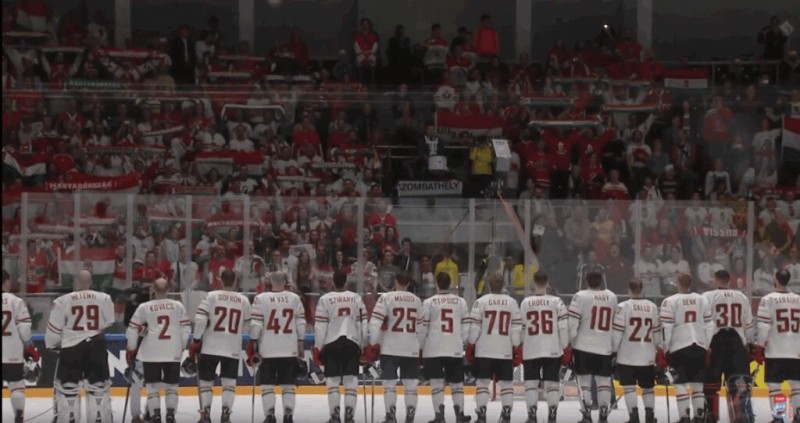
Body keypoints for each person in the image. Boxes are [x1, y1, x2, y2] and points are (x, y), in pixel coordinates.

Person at [45, 269, 115, 423]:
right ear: (90, 282)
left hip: (71, 348)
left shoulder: (62, 301)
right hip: (97, 347)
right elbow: (109, 321)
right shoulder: (104, 298)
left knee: (68, 388)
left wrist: (53, 345)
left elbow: (53, 330)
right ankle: (99, 417)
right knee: (98, 388)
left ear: (76, 282)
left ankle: (69, 417)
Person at [125, 277, 191, 423]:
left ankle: (155, 414)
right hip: (172, 351)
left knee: (152, 386)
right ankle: (171, 414)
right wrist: (182, 346)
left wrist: (131, 348)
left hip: (151, 352)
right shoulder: (178, 305)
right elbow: (186, 330)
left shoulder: (145, 307)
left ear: (153, 290)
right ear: (169, 290)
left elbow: (132, 329)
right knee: (172, 386)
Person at [190, 269, 252, 423]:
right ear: (235, 281)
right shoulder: (243, 300)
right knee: (229, 383)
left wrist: (197, 339)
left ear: (220, 280)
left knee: (206, 381)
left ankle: (206, 411)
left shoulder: (211, 296)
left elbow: (200, 319)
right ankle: (226, 412)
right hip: (232, 346)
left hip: (210, 345)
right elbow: (249, 324)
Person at [249, 271, 307, 423]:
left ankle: (269, 414)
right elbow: (301, 323)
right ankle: (288, 413)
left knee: (267, 385)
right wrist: (300, 342)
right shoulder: (294, 298)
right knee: (288, 385)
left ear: (270, 282)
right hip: (289, 348)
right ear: (286, 282)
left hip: (267, 349)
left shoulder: (260, 298)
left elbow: (256, 325)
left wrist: (253, 342)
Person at [364, 272, 422, 423]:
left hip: (389, 347)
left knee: (389, 384)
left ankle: (391, 416)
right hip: (411, 347)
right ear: (409, 283)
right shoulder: (417, 301)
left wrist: (374, 343)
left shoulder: (386, 298)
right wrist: (420, 346)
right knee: (411, 385)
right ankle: (410, 415)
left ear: (396, 282)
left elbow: (375, 322)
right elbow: (422, 327)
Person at [314, 270, 369, 423]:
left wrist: (318, 347)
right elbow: (363, 323)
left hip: (332, 342)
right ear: (346, 282)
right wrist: (364, 345)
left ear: (333, 281)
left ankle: (335, 415)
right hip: (352, 342)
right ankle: (350, 415)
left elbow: (320, 326)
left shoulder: (325, 299)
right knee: (350, 380)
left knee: (332, 381)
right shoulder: (356, 298)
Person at [466, 272, 522, 423]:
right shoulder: (512, 302)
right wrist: (516, 346)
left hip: (484, 349)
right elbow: (516, 328)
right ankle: (506, 414)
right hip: (504, 349)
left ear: (488, 285)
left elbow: (474, 327)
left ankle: (482, 414)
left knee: (483, 383)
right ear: (503, 285)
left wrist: (471, 343)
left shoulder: (481, 301)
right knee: (507, 384)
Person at [660, 273, 714, 423]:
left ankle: (684, 416)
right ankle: (698, 416)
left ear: (678, 283)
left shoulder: (670, 301)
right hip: (699, 346)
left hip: (679, 346)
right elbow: (710, 326)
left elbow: (667, 327)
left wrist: (664, 348)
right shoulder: (702, 299)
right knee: (697, 384)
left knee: (680, 383)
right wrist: (706, 346)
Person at [702, 270, 755, 423]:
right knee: (739, 382)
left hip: (716, 343)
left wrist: (705, 345)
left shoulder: (707, 296)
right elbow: (749, 324)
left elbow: (704, 323)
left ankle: (711, 415)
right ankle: (740, 415)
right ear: (729, 280)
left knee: (711, 383)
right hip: (736, 342)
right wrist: (749, 343)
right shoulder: (741, 296)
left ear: (715, 280)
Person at [418, 272, 471, 423]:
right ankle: (460, 414)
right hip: (453, 347)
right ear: (450, 283)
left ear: (437, 283)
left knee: (436, 383)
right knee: (457, 384)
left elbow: (423, 327)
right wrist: (464, 341)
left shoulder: (429, 302)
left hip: (433, 348)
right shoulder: (460, 302)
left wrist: (421, 346)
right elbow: (466, 325)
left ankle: (439, 415)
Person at [568, 270, 618, 423]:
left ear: (586, 281)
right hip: (605, 346)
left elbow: (572, 324)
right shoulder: (612, 297)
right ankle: (603, 413)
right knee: (603, 382)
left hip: (583, 346)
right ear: (602, 280)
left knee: (584, 383)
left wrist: (569, 342)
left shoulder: (580, 296)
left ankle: (586, 415)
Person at [519, 271, 569, 423]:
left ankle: (532, 415)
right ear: (547, 283)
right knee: (552, 384)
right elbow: (563, 326)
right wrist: (565, 345)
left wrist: (520, 344)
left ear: (534, 283)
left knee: (531, 384)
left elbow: (521, 327)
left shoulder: (525, 302)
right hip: (552, 348)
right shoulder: (557, 302)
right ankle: (552, 415)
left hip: (531, 348)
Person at [612, 278, 661, 423]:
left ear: (629, 290)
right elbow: (657, 333)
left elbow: (617, 333)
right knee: (648, 388)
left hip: (627, 355)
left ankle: (634, 417)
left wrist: (614, 351)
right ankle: (650, 416)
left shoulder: (623, 307)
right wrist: (656, 350)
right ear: (642, 289)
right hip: (647, 355)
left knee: (629, 388)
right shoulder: (652, 307)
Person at [755, 269, 800, 423]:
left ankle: (779, 417)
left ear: (775, 279)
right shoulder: (798, 299)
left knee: (774, 386)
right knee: (796, 386)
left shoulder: (768, 299)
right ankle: (798, 414)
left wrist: (759, 347)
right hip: (795, 350)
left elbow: (763, 327)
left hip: (775, 350)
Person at [2, 269, 37, 423]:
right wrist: (28, 344)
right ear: (6, 282)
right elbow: (24, 328)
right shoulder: (16, 301)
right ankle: (19, 416)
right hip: (12, 353)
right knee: (16, 385)